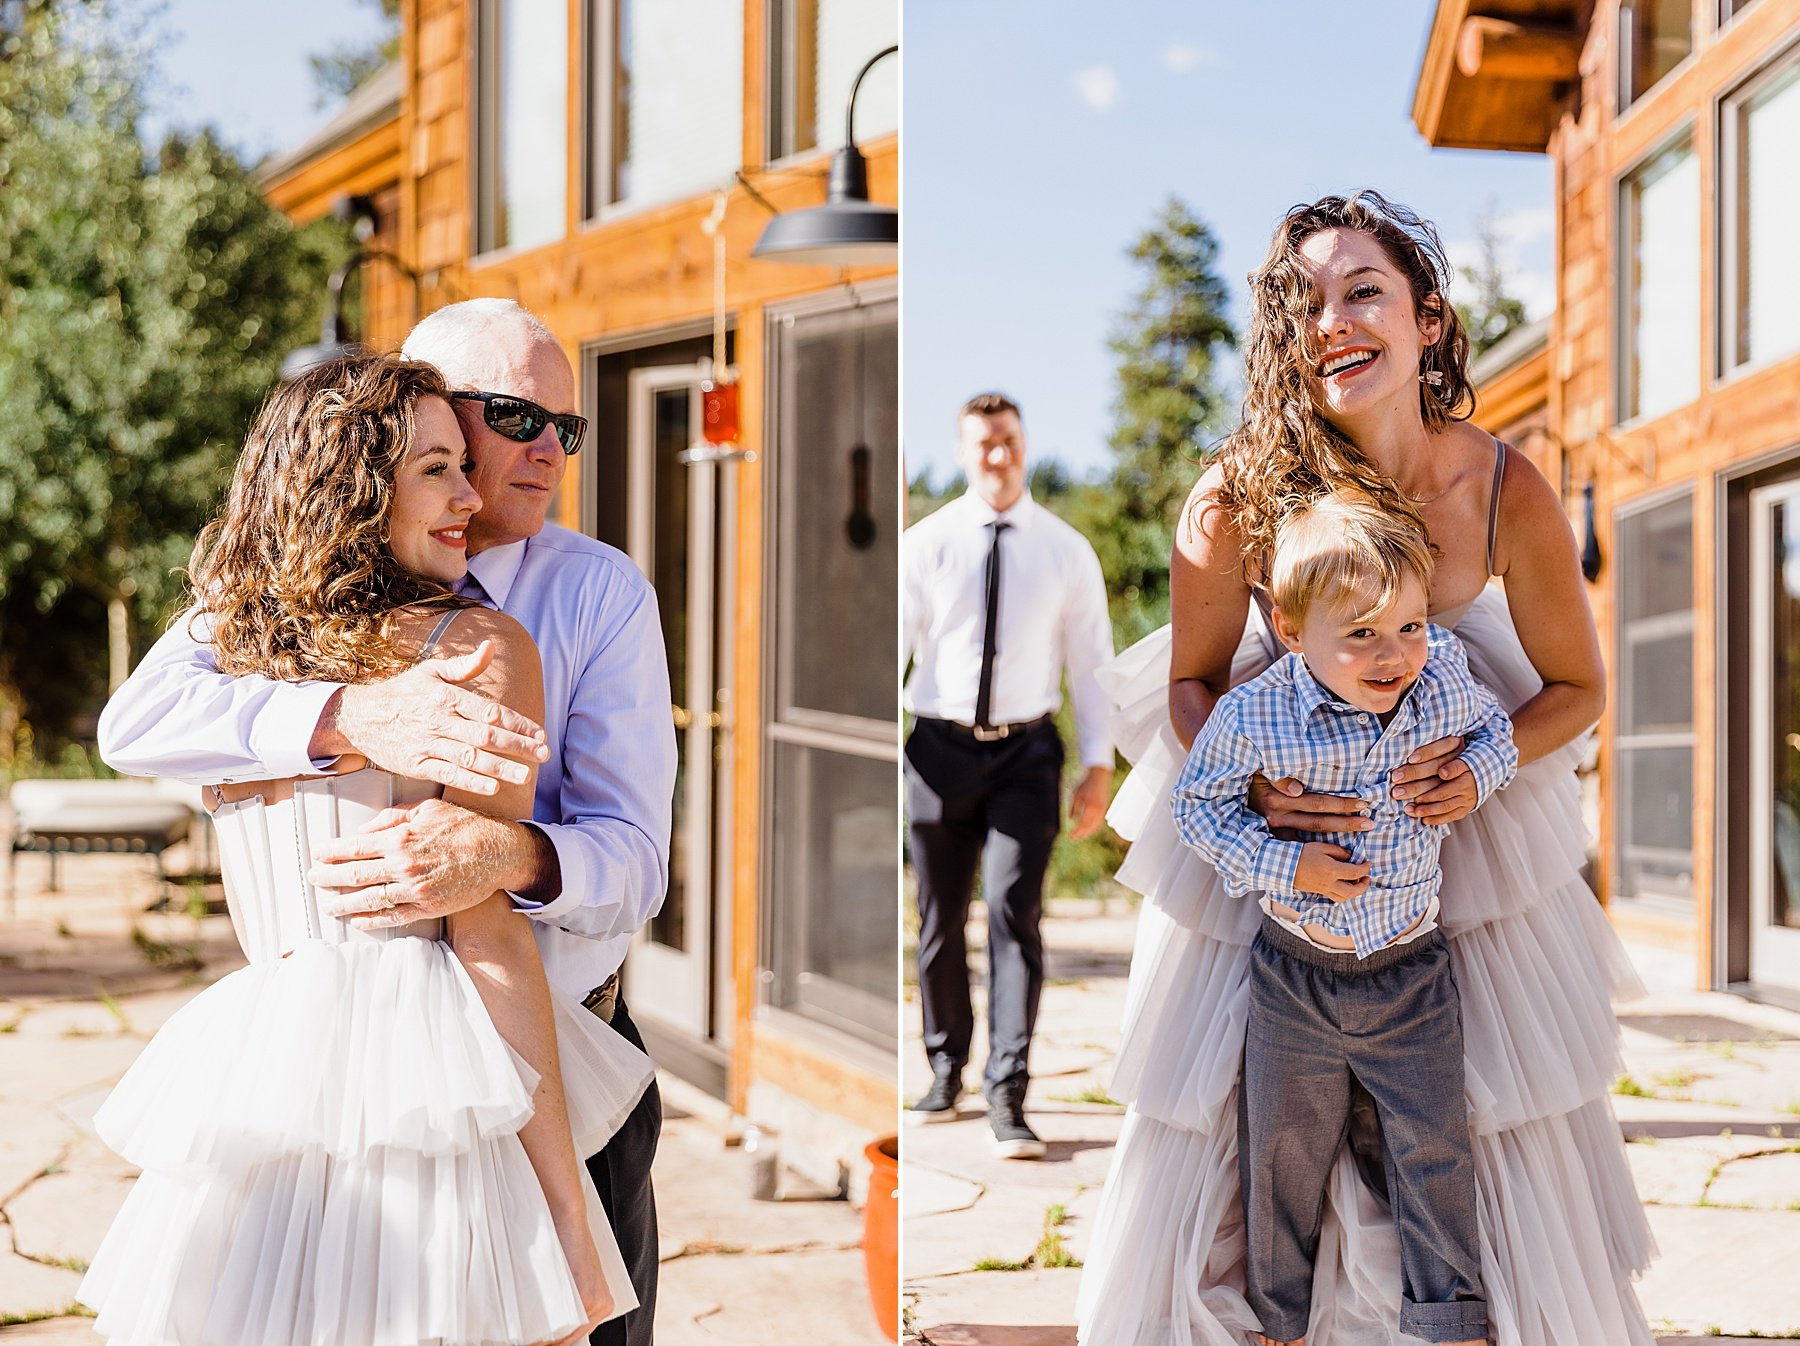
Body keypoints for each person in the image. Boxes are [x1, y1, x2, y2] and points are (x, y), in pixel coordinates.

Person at [1074, 192, 1655, 1346]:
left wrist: (1478, 769)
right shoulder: (1232, 495)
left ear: (1430, 319)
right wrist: (1255, 793)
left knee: (1472, 1120)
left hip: (1465, 845)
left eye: (1362, 291)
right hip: (1282, 852)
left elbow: (1580, 689)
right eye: (1304, 303)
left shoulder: (1505, 489)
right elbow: (1190, 684)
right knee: (1252, 1130)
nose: (1330, 320)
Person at [98, 300, 676, 1346]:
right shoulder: (250, 614)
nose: (549, 449)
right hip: (313, 1081)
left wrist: (509, 851)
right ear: (377, 447)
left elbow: (634, 860)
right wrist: (346, 716)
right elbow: (132, 723)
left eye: (568, 427)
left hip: (544, 1044)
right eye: (512, 418)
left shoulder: (596, 594)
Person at [1173, 492, 1517, 1346]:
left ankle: (1451, 1320)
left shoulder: (1441, 684)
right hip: (1296, 972)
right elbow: (1198, 808)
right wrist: (1289, 864)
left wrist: (1474, 775)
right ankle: (1277, 1322)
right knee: (1283, 1153)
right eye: (1360, 633)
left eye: (1407, 626)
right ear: (1292, 630)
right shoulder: (1257, 714)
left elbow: (1499, 735)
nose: (1391, 653)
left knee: (1432, 1149)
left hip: (1411, 972)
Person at [903, 392, 1116, 1158]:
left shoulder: (1066, 551)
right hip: (936, 749)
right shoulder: (927, 545)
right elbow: (892, 647)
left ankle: (1008, 1093)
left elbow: (1093, 665)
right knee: (937, 920)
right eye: (985, 443)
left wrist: (1098, 766)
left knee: (1013, 915)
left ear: (1025, 444)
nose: (999, 455)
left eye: (1010, 441)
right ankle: (943, 1065)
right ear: (964, 451)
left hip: (1027, 756)